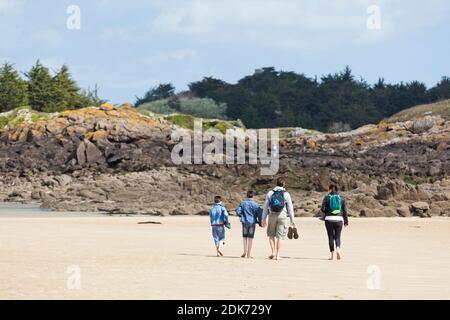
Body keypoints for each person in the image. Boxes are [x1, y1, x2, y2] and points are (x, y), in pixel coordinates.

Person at [262, 177, 297, 260]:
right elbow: (290, 209)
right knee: (279, 236)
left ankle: (273, 252)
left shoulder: (270, 193)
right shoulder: (286, 194)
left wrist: (263, 219)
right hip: (282, 215)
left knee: (271, 235)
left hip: (272, 215)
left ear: (276, 183)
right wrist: (293, 221)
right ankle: (278, 255)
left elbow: (265, 207)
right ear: (284, 184)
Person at [320, 184, 349, 260]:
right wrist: (346, 221)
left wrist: (327, 211)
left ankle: (332, 255)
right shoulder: (341, 198)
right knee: (337, 236)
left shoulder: (327, 197)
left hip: (329, 219)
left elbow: (322, 209)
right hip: (339, 219)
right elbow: (345, 211)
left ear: (330, 189)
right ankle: (338, 249)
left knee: (330, 237)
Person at [235, 190, 263, 259]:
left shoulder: (243, 203)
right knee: (250, 238)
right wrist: (260, 222)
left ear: (247, 195)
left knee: (244, 237)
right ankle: (248, 254)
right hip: (252, 222)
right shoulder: (256, 204)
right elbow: (260, 214)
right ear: (253, 196)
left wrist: (241, 216)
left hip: (244, 222)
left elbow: (238, 211)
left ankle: (244, 252)